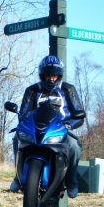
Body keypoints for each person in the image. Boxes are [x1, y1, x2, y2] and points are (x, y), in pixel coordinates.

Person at [9, 55, 85, 198]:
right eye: (48, 75)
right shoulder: (32, 90)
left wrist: (69, 125)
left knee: (74, 146)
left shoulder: (68, 89)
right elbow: (23, 113)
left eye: (54, 75)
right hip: (35, 129)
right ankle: (18, 176)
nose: (51, 79)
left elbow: (79, 114)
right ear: (42, 75)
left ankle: (72, 181)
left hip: (61, 129)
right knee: (16, 138)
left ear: (59, 75)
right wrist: (23, 125)